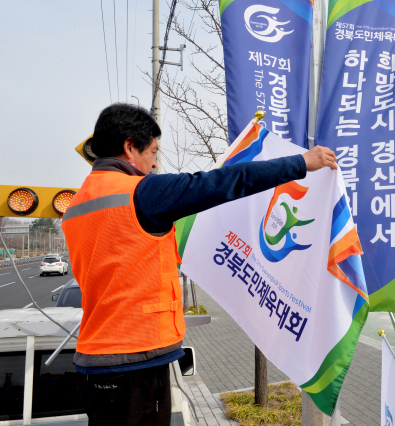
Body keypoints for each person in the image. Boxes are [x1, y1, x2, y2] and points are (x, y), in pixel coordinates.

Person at [62, 104, 337, 426]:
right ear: (129, 147)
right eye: (152, 152)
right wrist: (302, 163)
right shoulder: (141, 193)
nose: (153, 163)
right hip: (133, 361)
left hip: (96, 356)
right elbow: (222, 182)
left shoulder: (79, 203)